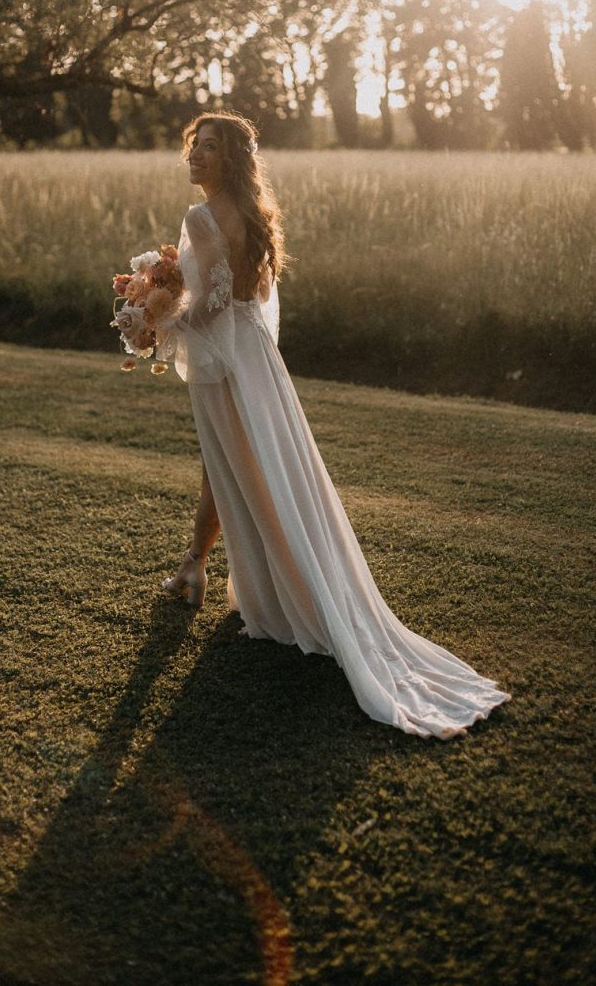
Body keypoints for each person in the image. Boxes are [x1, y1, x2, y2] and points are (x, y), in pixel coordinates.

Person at [160, 110, 511, 740]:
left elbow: (210, 302)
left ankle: (264, 588)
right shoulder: (250, 211)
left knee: (235, 463)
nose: (195, 157)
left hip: (229, 361)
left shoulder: (201, 216)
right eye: (194, 146)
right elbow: (245, 295)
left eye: (208, 149)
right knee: (245, 464)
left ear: (229, 158)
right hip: (256, 358)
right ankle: (200, 565)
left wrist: (157, 317)